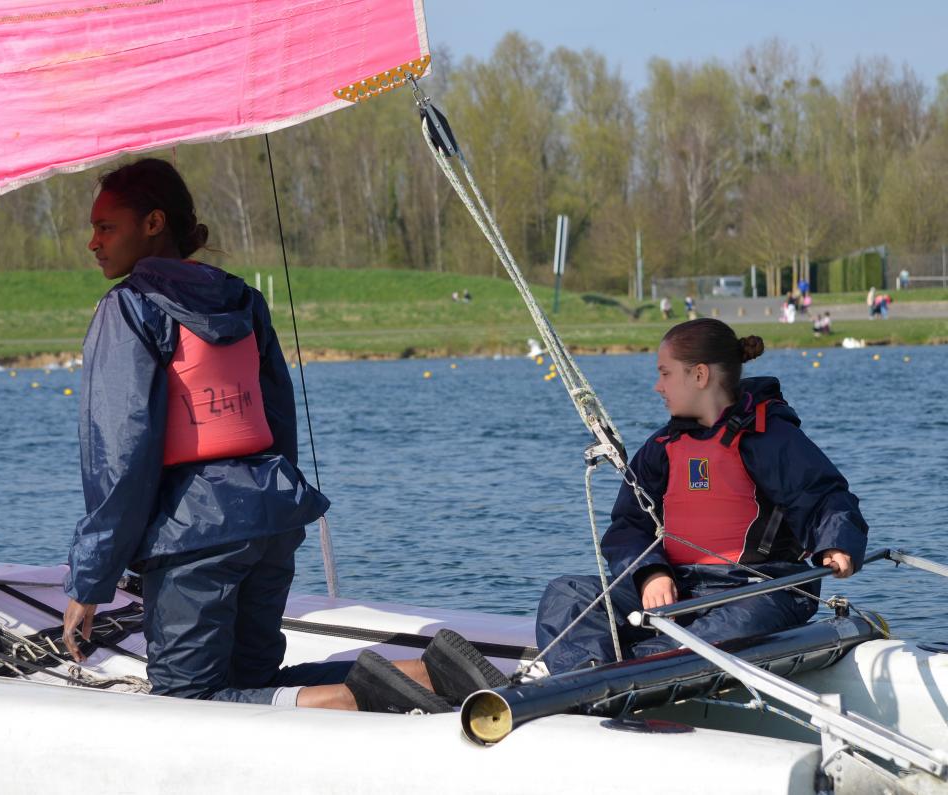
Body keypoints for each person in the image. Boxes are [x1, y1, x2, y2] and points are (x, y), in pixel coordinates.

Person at [61, 158, 504, 712]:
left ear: (153, 223)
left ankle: (364, 700)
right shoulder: (244, 299)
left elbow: (120, 455)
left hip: (195, 534)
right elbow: (277, 418)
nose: (93, 242)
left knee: (187, 700)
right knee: (255, 679)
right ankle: (433, 673)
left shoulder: (129, 307)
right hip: (270, 517)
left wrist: (90, 581)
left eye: (106, 227)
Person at [535, 319, 868, 674]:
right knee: (567, 594)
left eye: (665, 374)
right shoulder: (661, 447)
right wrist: (651, 574)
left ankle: (628, 671)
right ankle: (587, 676)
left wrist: (837, 543)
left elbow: (824, 496)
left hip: (759, 592)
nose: (657, 386)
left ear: (699, 375)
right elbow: (629, 525)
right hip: (680, 587)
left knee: (718, 633)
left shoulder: (770, 438)